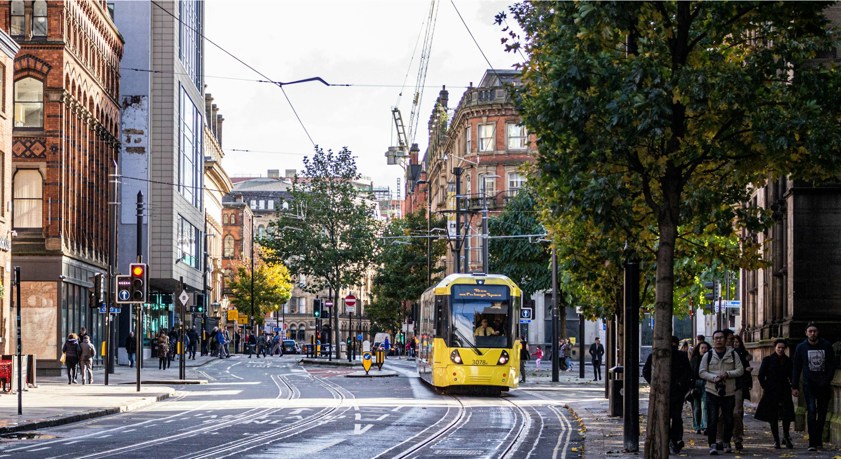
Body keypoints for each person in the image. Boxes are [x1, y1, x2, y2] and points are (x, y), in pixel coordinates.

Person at [791, 323, 836, 452]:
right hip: (809, 385)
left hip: (824, 385)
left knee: (822, 414)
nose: (812, 334)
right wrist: (794, 386)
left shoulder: (826, 346)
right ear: (806, 333)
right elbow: (796, 368)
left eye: (814, 331)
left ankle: (818, 440)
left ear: (818, 332)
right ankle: (812, 442)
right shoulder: (801, 348)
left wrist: (827, 380)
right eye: (810, 331)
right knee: (811, 412)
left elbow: (832, 365)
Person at [699, 329, 744, 455]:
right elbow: (701, 372)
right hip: (712, 391)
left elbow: (740, 370)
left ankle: (726, 442)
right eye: (716, 338)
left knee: (729, 419)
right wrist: (714, 377)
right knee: (713, 419)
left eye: (721, 338)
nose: (718, 340)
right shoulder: (708, 355)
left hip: (729, 392)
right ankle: (712, 444)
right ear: (713, 340)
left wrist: (727, 374)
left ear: (725, 340)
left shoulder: (733, 354)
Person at [755, 338, 795, 449]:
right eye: (779, 348)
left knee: (786, 415)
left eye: (783, 348)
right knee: (773, 416)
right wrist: (766, 387)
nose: (781, 350)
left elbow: (792, 375)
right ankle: (776, 439)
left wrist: (793, 386)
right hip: (771, 391)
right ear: (775, 348)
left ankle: (786, 437)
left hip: (785, 390)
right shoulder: (768, 360)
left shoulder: (788, 361)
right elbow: (761, 375)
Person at [730, 335, 753, 451]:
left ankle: (737, 438)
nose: (735, 343)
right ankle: (724, 438)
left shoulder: (743, 353)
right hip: (727, 385)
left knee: (737, 411)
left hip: (739, 384)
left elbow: (746, 364)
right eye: (733, 341)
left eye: (737, 342)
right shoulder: (728, 354)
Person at [690, 341, 711, 435]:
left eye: (706, 348)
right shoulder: (694, 359)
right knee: (696, 407)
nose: (704, 350)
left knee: (705, 405)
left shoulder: (710, 359)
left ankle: (705, 426)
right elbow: (691, 372)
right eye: (702, 348)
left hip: (706, 383)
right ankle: (697, 426)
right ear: (698, 349)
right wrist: (691, 386)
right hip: (696, 384)